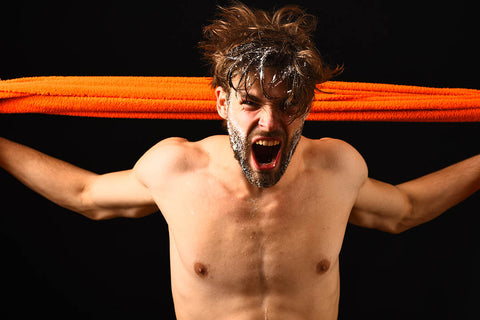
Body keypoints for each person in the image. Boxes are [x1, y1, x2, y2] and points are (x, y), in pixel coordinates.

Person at [0, 3, 479, 319]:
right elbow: (84, 194)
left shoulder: (338, 168)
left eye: (288, 104)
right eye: (251, 102)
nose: (270, 123)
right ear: (221, 104)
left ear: (308, 107)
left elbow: (407, 208)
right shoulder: (176, 168)